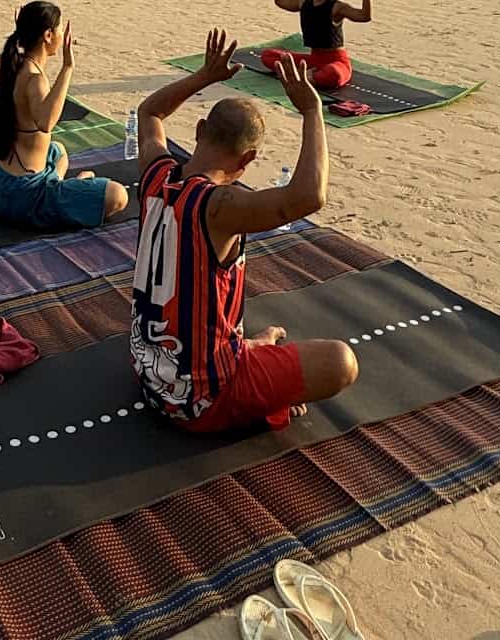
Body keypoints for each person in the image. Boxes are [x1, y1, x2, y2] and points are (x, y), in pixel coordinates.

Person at [131, 30, 358, 433]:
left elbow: (149, 113)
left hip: (152, 376)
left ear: (199, 130)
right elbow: (308, 197)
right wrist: (312, 111)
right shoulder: (218, 207)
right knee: (342, 362)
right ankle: (258, 391)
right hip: (201, 401)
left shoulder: (157, 176)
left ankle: (246, 352)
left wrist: (203, 77)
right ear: (249, 158)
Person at [0, 1, 129, 229]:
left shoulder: (14, 63)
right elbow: (46, 123)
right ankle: (60, 190)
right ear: (48, 35)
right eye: (60, 29)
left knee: (59, 151)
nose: (63, 35)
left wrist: (17, 37)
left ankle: (57, 184)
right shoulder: (34, 78)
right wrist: (67, 68)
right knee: (118, 195)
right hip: (25, 197)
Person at [261, 0, 371, 89]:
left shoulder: (337, 7)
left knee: (334, 75)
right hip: (314, 60)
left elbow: (364, 16)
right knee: (268, 55)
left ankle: (306, 76)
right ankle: (308, 76)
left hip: (336, 62)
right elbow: (280, 1)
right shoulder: (303, 3)